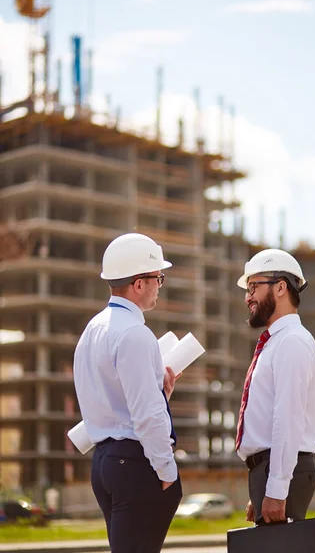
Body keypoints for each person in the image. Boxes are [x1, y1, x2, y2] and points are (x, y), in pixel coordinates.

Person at [73, 233, 182, 553]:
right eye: (158, 277)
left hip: (105, 461)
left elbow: (113, 402)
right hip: (135, 464)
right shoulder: (135, 334)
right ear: (138, 283)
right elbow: (146, 415)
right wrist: (167, 470)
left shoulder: (93, 329)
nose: (160, 284)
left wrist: (160, 392)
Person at [235, 248, 315, 525]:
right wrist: (265, 486)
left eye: (253, 286)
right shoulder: (276, 342)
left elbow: (288, 419)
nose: (248, 296)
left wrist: (276, 489)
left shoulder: (292, 342)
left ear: (281, 287)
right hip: (273, 469)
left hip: (284, 469)